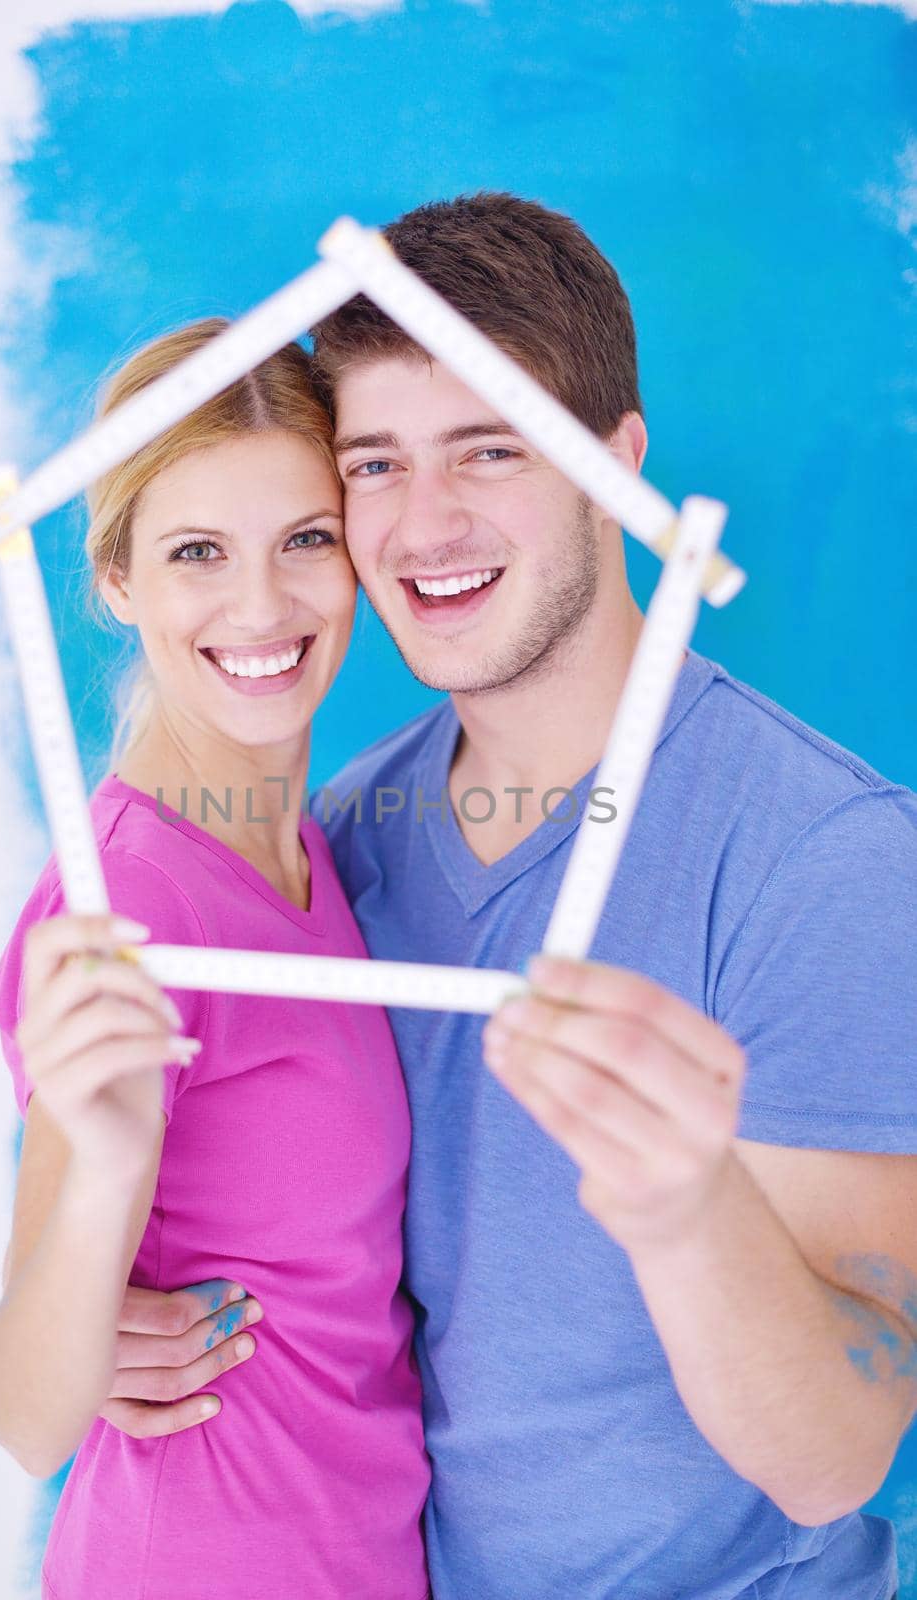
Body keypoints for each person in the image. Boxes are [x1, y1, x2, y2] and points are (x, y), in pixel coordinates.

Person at [107, 195, 917, 1600]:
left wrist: (681, 1210)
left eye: (491, 448)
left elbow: (841, 1453)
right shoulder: (343, 840)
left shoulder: (826, 857)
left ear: (620, 466)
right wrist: (118, 1319)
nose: (424, 526)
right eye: (375, 464)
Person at [0, 319, 431, 1600]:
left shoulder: (316, 844)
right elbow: (26, 1413)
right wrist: (108, 1174)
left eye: (306, 539)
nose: (261, 606)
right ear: (117, 580)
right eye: (196, 553)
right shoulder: (128, 899)